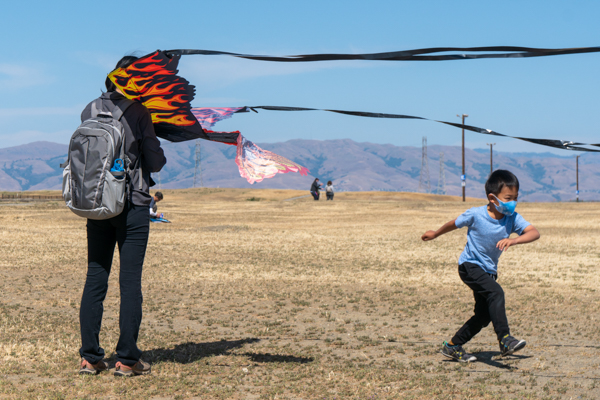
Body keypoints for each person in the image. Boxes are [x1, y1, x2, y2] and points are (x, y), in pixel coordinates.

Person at [78, 55, 167, 377]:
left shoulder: (89, 109)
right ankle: (128, 360)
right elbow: (155, 163)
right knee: (129, 281)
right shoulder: (139, 112)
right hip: (131, 203)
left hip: (97, 203)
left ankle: (90, 357)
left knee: (95, 277)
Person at [421, 170, 540, 363]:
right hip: (469, 266)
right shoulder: (476, 214)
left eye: (516, 198)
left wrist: (515, 240)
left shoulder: (512, 218)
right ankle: (505, 340)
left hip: (488, 271)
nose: (513, 202)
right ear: (492, 198)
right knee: (496, 293)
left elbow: (534, 233)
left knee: (484, 316)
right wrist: (435, 233)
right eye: (508, 198)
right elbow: (454, 223)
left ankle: (452, 346)